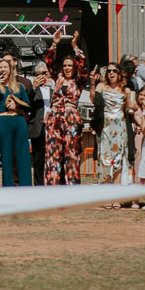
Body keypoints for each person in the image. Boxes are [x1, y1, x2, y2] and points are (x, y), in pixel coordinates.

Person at [43, 30, 87, 185]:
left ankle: (72, 187)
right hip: (54, 117)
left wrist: (74, 46)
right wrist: (55, 43)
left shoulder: (79, 80)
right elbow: (48, 61)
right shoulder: (58, 77)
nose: (67, 68)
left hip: (71, 119)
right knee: (52, 154)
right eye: (65, 65)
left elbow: (83, 63)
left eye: (70, 65)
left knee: (71, 153)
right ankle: (52, 187)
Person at [0, 57, 32, 187]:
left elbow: (28, 106)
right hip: (3, 121)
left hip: (19, 121)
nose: (3, 69)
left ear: (10, 69)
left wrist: (17, 105)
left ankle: (25, 186)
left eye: (5, 67)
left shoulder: (19, 87)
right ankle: (8, 187)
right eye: (0, 67)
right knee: (6, 156)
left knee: (23, 155)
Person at [96, 62, 136, 187]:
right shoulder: (101, 87)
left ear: (119, 73)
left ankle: (117, 195)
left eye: (114, 71)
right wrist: (93, 84)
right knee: (105, 159)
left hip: (120, 128)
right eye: (109, 71)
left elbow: (132, 107)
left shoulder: (126, 90)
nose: (111, 73)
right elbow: (94, 100)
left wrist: (133, 105)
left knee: (118, 159)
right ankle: (108, 194)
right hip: (105, 127)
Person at [29, 61, 53, 185]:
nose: (42, 76)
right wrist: (33, 87)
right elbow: (27, 102)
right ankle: (39, 186)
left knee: (52, 159)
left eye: (44, 73)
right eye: (38, 73)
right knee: (38, 160)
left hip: (53, 126)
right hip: (38, 127)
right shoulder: (32, 88)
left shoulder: (54, 88)